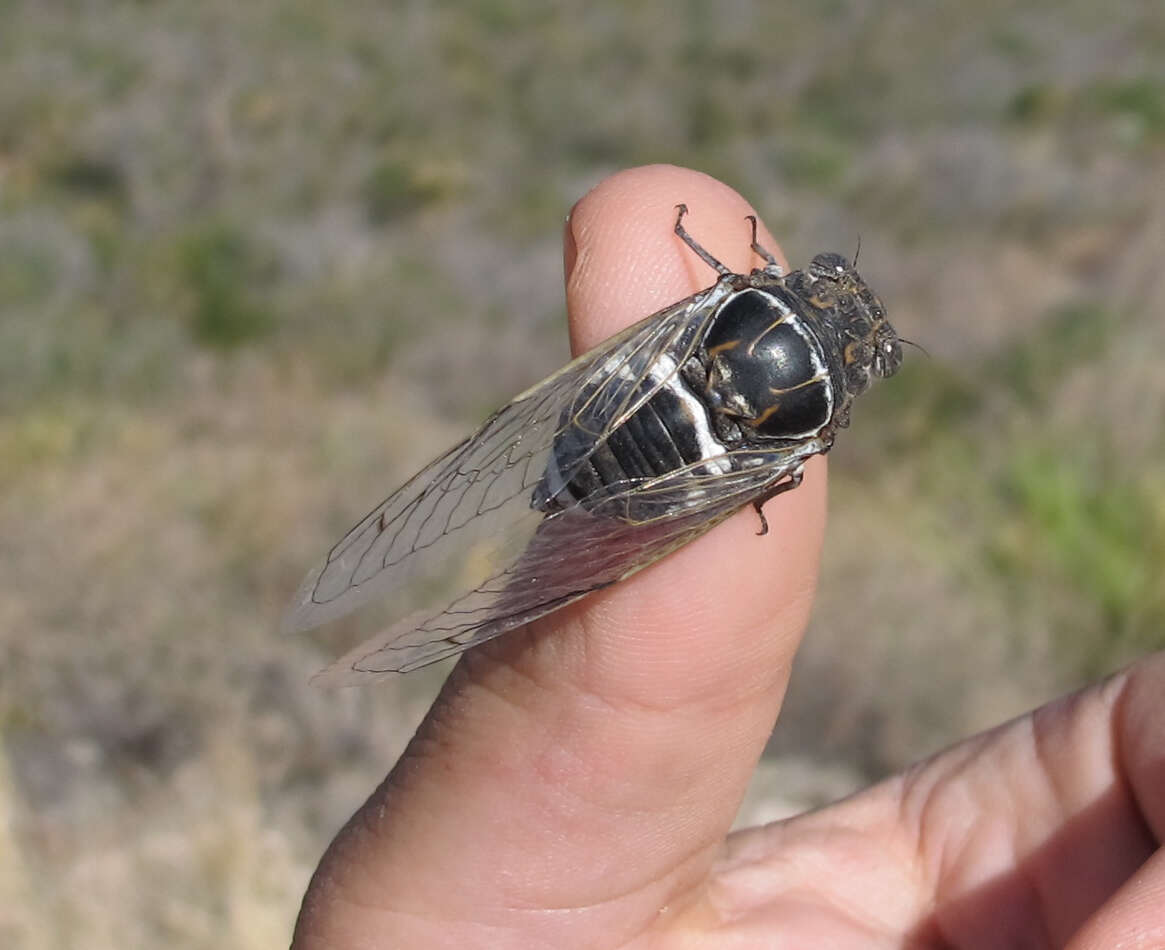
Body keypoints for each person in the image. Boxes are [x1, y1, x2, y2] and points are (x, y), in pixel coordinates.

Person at [291, 165, 1165, 949]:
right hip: (673, 460)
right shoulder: (814, 427)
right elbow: (783, 464)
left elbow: (715, 293)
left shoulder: (745, 300)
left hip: (627, 420)